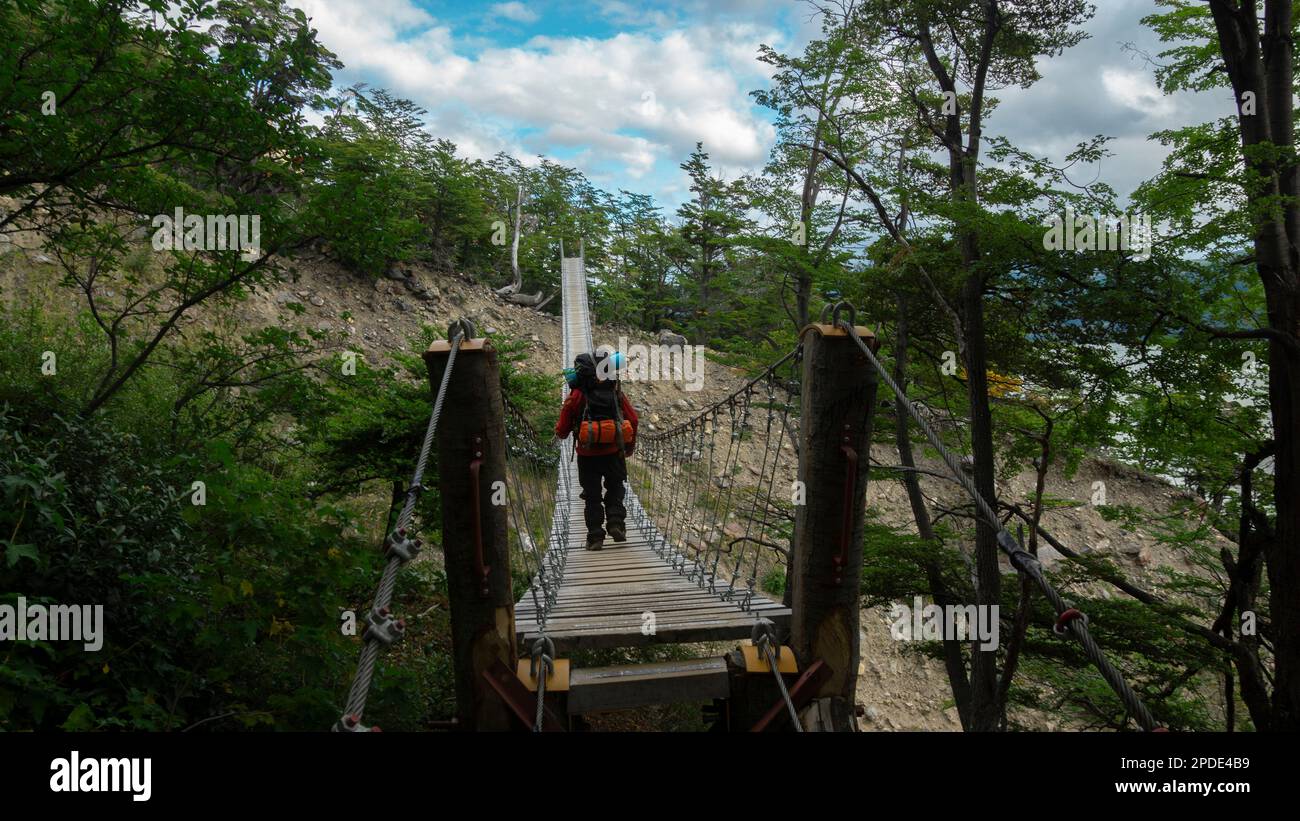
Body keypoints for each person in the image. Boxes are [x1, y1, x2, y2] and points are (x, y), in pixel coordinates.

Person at [555, 349, 638, 550]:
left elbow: (563, 429)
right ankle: (616, 522)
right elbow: (633, 419)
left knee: (592, 495)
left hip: (587, 455)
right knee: (616, 488)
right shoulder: (615, 392)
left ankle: (595, 536)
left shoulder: (577, 394)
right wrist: (628, 447)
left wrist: (560, 433)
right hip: (613, 452)